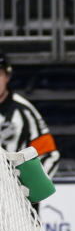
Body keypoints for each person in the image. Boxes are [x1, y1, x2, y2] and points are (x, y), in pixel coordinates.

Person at [0, 52, 60, 180]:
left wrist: (31, 190)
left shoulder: (24, 111)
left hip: (13, 197)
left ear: (7, 76)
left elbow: (49, 155)